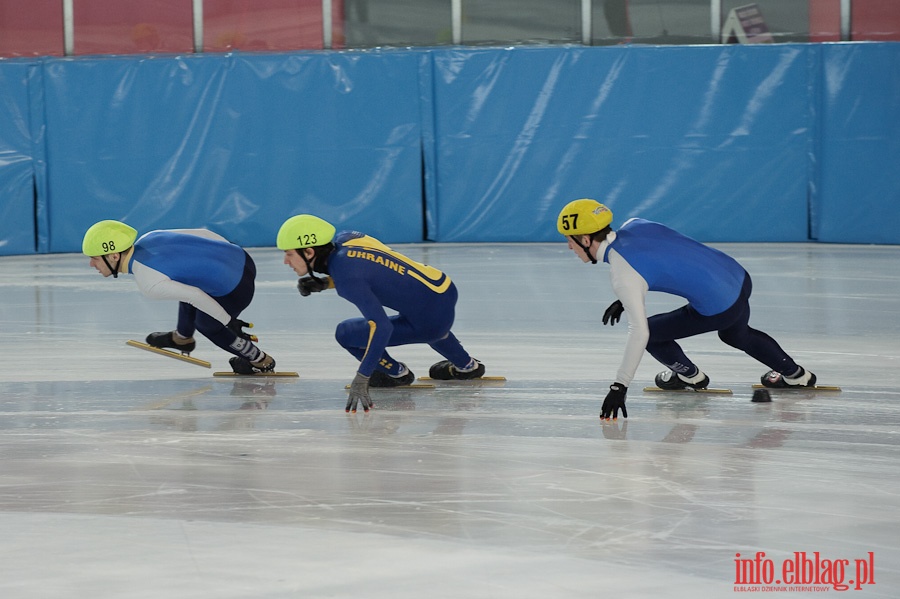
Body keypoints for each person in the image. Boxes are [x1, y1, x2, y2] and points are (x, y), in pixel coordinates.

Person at [556, 199, 816, 420]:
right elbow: (673, 254)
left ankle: (690, 376)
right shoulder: (635, 223)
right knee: (736, 334)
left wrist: (619, 386)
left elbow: (639, 333)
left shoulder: (622, 274)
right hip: (737, 277)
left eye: (570, 241)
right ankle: (796, 375)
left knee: (654, 333)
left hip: (720, 304)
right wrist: (625, 299)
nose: (569, 247)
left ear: (585, 239)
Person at [275, 214, 485, 413]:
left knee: (346, 333)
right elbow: (377, 271)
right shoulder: (348, 238)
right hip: (441, 287)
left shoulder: (348, 279)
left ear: (309, 252)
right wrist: (327, 282)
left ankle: (396, 373)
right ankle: (467, 366)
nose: (286, 261)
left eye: (289, 254)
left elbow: (382, 327)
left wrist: (362, 376)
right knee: (426, 316)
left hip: (430, 320)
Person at [82, 220, 276, 374]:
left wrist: (228, 321)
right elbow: (205, 234)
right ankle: (182, 338)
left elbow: (195, 296)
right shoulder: (151, 236)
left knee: (207, 324)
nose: (91, 265)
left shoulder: (148, 282)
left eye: (95, 258)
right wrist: (226, 255)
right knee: (184, 279)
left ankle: (259, 360)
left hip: (236, 289)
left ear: (114, 256)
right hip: (242, 258)